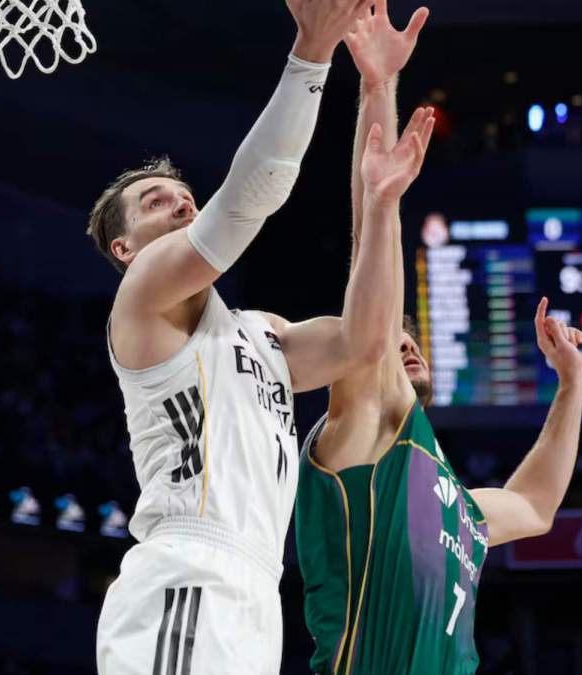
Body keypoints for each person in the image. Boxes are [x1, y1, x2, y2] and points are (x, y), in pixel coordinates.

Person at [88, 0, 430, 671]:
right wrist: (311, 55)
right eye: (154, 200)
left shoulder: (265, 333)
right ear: (124, 248)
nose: (180, 201)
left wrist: (378, 98)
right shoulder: (145, 295)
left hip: (255, 592)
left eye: (183, 192)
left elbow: (370, 336)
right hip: (184, 572)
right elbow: (247, 199)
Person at [293, 3, 582, 672]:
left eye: (408, 336)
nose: (404, 342)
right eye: (391, 334)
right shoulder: (366, 429)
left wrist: (572, 385)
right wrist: (377, 90)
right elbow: (367, 264)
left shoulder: (455, 501)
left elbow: (536, 504)